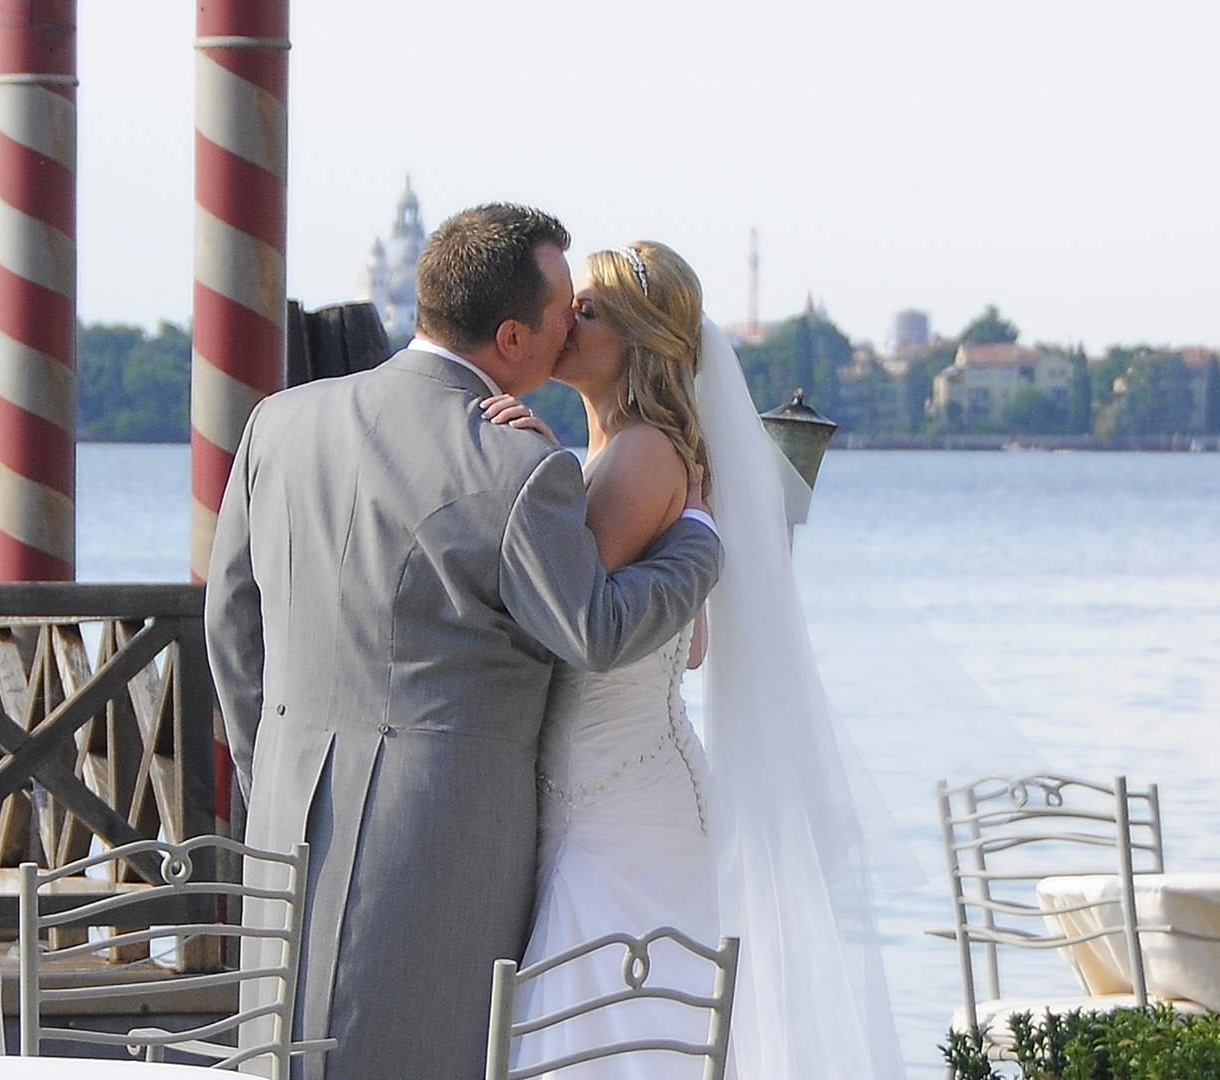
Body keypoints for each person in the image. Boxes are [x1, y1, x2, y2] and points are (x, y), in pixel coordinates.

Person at [204, 205, 725, 1080]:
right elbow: (594, 628)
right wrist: (704, 544)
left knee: (280, 1057)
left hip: (285, 810)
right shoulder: (521, 468)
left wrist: (274, 770)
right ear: (515, 335)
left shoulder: (278, 423)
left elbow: (230, 622)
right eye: (566, 310)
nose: (571, 327)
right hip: (448, 838)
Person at [489, 241, 902, 1079]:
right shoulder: (623, 452)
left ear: (638, 340)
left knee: (602, 1036)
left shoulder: (640, 453)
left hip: (621, 812)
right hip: (618, 788)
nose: (567, 320)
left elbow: (576, 616)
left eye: (591, 312)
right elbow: (692, 641)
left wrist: (536, 467)